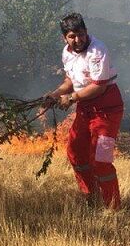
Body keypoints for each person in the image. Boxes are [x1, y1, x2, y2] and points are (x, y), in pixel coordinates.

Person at [47, 13, 124, 209]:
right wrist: (55, 95)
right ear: (64, 38)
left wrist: (71, 98)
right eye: (72, 36)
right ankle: (91, 198)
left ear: (86, 32)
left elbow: (99, 86)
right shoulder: (67, 52)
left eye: (80, 34)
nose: (77, 40)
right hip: (85, 108)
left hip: (107, 110)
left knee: (101, 161)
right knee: (75, 153)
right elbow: (70, 81)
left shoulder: (98, 51)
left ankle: (112, 207)